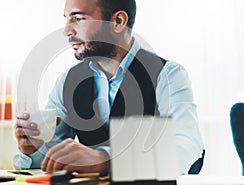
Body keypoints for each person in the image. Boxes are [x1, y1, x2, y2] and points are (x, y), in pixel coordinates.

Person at [14, 0, 204, 175]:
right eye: (66, 19)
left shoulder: (167, 75)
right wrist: (33, 149)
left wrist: (108, 161)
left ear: (118, 22)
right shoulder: (67, 81)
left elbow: (187, 146)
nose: (67, 30)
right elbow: (52, 154)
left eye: (78, 19)